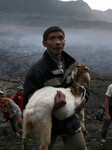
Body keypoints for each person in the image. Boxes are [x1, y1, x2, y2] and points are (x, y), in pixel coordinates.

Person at [23, 26, 89, 150]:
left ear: (64, 42)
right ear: (44, 43)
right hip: (47, 124)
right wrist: (52, 105)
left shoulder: (73, 66)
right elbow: (29, 100)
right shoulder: (37, 70)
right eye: (52, 38)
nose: (57, 42)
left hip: (70, 122)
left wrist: (83, 100)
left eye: (60, 38)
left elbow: (84, 88)